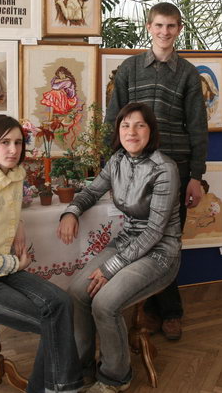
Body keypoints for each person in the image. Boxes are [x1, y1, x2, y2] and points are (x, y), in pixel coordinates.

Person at [0, 115, 82, 393]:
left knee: (61, 302)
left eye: (18, 143)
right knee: (53, 321)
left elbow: (3, 209)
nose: (13, 150)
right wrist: (13, 263)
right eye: (5, 142)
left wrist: (18, 223)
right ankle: (58, 389)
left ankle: (51, 388)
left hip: (1, 271)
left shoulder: (13, 177)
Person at [57, 102, 182, 393]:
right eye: (125, 125)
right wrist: (71, 212)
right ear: (118, 130)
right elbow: (91, 192)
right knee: (76, 293)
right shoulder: (117, 160)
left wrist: (110, 267)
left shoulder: (165, 168)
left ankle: (115, 377)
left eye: (140, 125)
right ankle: (83, 369)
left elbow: (154, 232)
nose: (131, 132)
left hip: (160, 253)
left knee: (105, 303)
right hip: (127, 242)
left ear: (151, 130)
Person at [104, 1, 208, 341]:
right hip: (134, 170)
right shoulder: (130, 68)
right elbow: (113, 119)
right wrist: (111, 167)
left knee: (167, 240)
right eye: (159, 25)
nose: (165, 32)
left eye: (171, 26)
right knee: (141, 237)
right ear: (149, 27)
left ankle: (170, 313)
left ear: (179, 29)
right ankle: (149, 307)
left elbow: (198, 127)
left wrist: (196, 176)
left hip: (175, 169)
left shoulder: (188, 74)